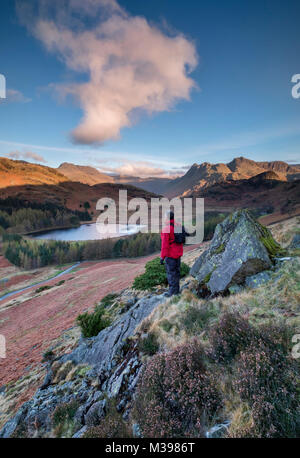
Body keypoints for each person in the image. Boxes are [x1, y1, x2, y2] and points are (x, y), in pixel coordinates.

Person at [160, 210, 184, 297]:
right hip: (178, 253)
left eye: (164, 217)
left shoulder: (166, 228)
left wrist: (162, 257)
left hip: (170, 255)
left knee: (171, 273)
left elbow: (165, 244)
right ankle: (176, 291)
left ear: (167, 217)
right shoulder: (178, 225)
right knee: (177, 273)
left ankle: (172, 293)